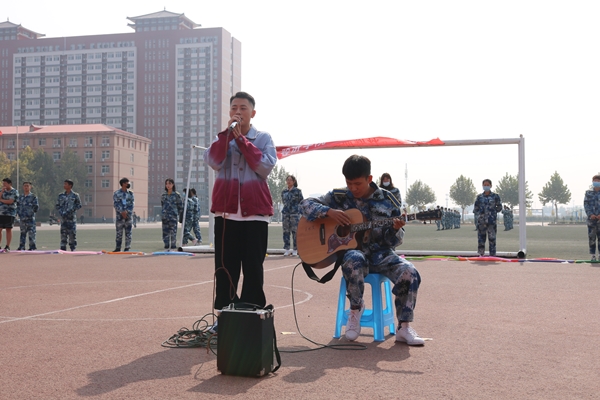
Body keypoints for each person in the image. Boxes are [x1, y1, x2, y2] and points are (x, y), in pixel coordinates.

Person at [299, 155, 424, 345]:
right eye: (349, 183)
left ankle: (404, 327)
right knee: (352, 258)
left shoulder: (388, 199)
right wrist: (329, 212)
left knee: (410, 272)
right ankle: (355, 309)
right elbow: (305, 205)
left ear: (369, 179)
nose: (353, 188)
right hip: (355, 255)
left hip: (381, 254)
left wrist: (395, 229)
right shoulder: (338, 196)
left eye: (358, 183)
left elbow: (395, 242)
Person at [203, 91, 276, 322]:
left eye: (243, 108)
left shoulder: (263, 139)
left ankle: (251, 318)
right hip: (226, 215)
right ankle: (224, 319)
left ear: (252, 113)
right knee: (225, 268)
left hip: (255, 215)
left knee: (253, 268)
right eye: (234, 107)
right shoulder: (221, 139)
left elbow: (264, 166)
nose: (238, 112)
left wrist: (242, 141)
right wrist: (228, 137)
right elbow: (213, 161)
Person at [473, 179, 502, 256]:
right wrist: (480, 215)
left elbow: (499, 207)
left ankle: (492, 256)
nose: (486, 186)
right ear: (482, 186)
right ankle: (480, 255)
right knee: (481, 240)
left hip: (491, 222)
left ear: (491, 186)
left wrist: (492, 212)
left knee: (492, 240)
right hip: (481, 222)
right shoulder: (479, 197)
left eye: (487, 185)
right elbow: (476, 208)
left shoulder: (495, 196)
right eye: (484, 185)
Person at [55, 179, 82, 251]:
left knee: (72, 234)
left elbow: (79, 205)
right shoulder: (61, 195)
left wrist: (71, 210)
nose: (64, 185)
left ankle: (73, 248)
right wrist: (61, 212)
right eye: (64, 184)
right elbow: (57, 205)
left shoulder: (75, 195)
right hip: (63, 219)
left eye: (66, 184)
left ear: (70, 186)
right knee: (63, 234)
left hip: (71, 219)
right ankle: (63, 247)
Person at [281, 175, 303, 256]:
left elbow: (301, 202)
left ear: (294, 181)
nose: (289, 181)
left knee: (295, 232)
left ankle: (295, 249)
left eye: (290, 180)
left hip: (295, 214)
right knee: (286, 232)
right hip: (286, 214)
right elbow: (284, 201)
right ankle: (287, 249)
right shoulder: (284, 192)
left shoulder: (297, 191)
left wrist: (299, 211)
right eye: (287, 180)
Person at [113, 177, 135, 252]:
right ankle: (118, 247)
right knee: (119, 233)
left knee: (128, 232)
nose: (129, 184)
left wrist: (127, 212)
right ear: (123, 184)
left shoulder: (131, 193)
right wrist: (122, 211)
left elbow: (132, 204)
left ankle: (127, 248)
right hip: (120, 217)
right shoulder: (116, 193)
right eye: (127, 183)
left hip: (128, 217)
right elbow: (116, 204)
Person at [161, 178, 183, 251]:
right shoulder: (163, 195)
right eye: (166, 184)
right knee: (165, 233)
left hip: (173, 217)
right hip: (165, 217)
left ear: (173, 185)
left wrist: (179, 215)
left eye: (170, 184)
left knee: (173, 232)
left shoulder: (176, 195)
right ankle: (166, 246)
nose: (168, 185)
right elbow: (162, 205)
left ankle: (173, 247)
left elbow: (180, 206)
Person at [17, 181, 39, 251]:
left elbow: (36, 207)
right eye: (25, 186)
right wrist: (19, 214)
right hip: (22, 218)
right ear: (23, 187)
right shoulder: (20, 197)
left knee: (31, 233)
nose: (26, 187)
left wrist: (31, 213)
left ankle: (32, 246)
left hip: (30, 218)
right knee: (22, 233)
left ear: (30, 187)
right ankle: (21, 246)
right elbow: (17, 206)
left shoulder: (33, 197)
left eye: (27, 186)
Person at [583, 174, 600, 261]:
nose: (596, 183)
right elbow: (586, 205)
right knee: (592, 238)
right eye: (594, 181)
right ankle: (593, 255)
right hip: (591, 220)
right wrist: (590, 214)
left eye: (598, 181)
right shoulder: (588, 193)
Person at [0, 178, 19, 251]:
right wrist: (2, 192)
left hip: (10, 213)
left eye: (5, 183)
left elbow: (10, 201)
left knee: (8, 228)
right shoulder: (2, 191)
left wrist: (1, 200)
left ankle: (7, 246)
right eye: (3, 183)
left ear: (10, 184)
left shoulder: (14, 191)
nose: (3, 185)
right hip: (1, 212)